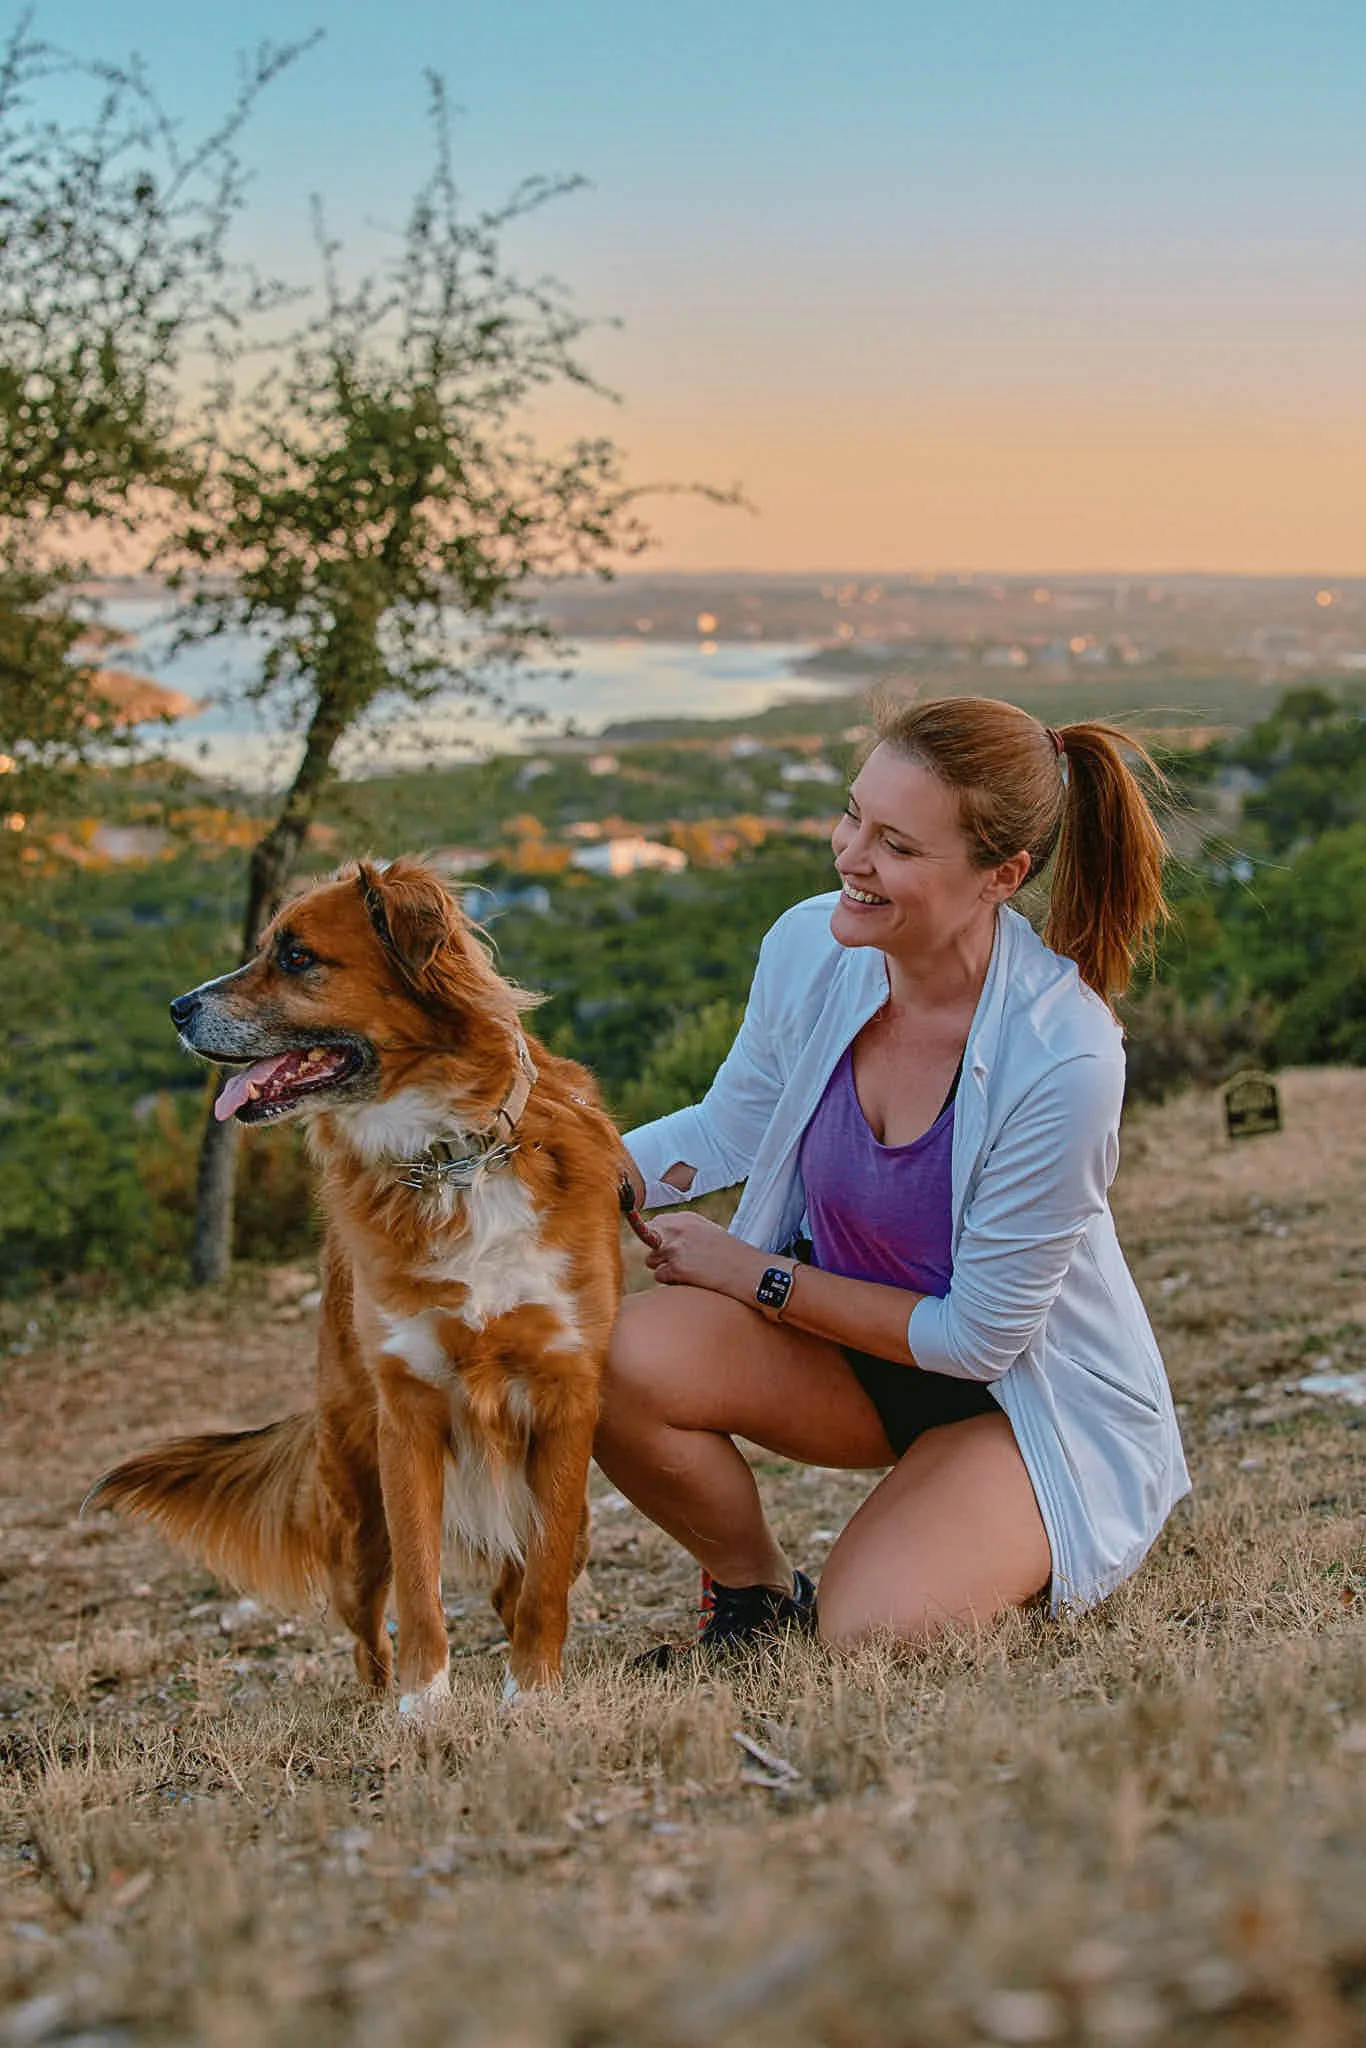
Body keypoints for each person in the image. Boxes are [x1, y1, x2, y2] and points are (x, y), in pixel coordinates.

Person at [599, 694, 1190, 1663]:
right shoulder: (810, 945)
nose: (850, 855)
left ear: (1001, 874)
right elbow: (724, 1126)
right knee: (608, 1358)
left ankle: (988, 1505)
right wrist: (556, 1175)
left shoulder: (1064, 1057)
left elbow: (976, 1336)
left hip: (1012, 1397)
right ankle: (754, 1600)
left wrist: (752, 1273)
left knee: (872, 1625)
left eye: (897, 845)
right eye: (852, 815)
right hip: (850, 1353)